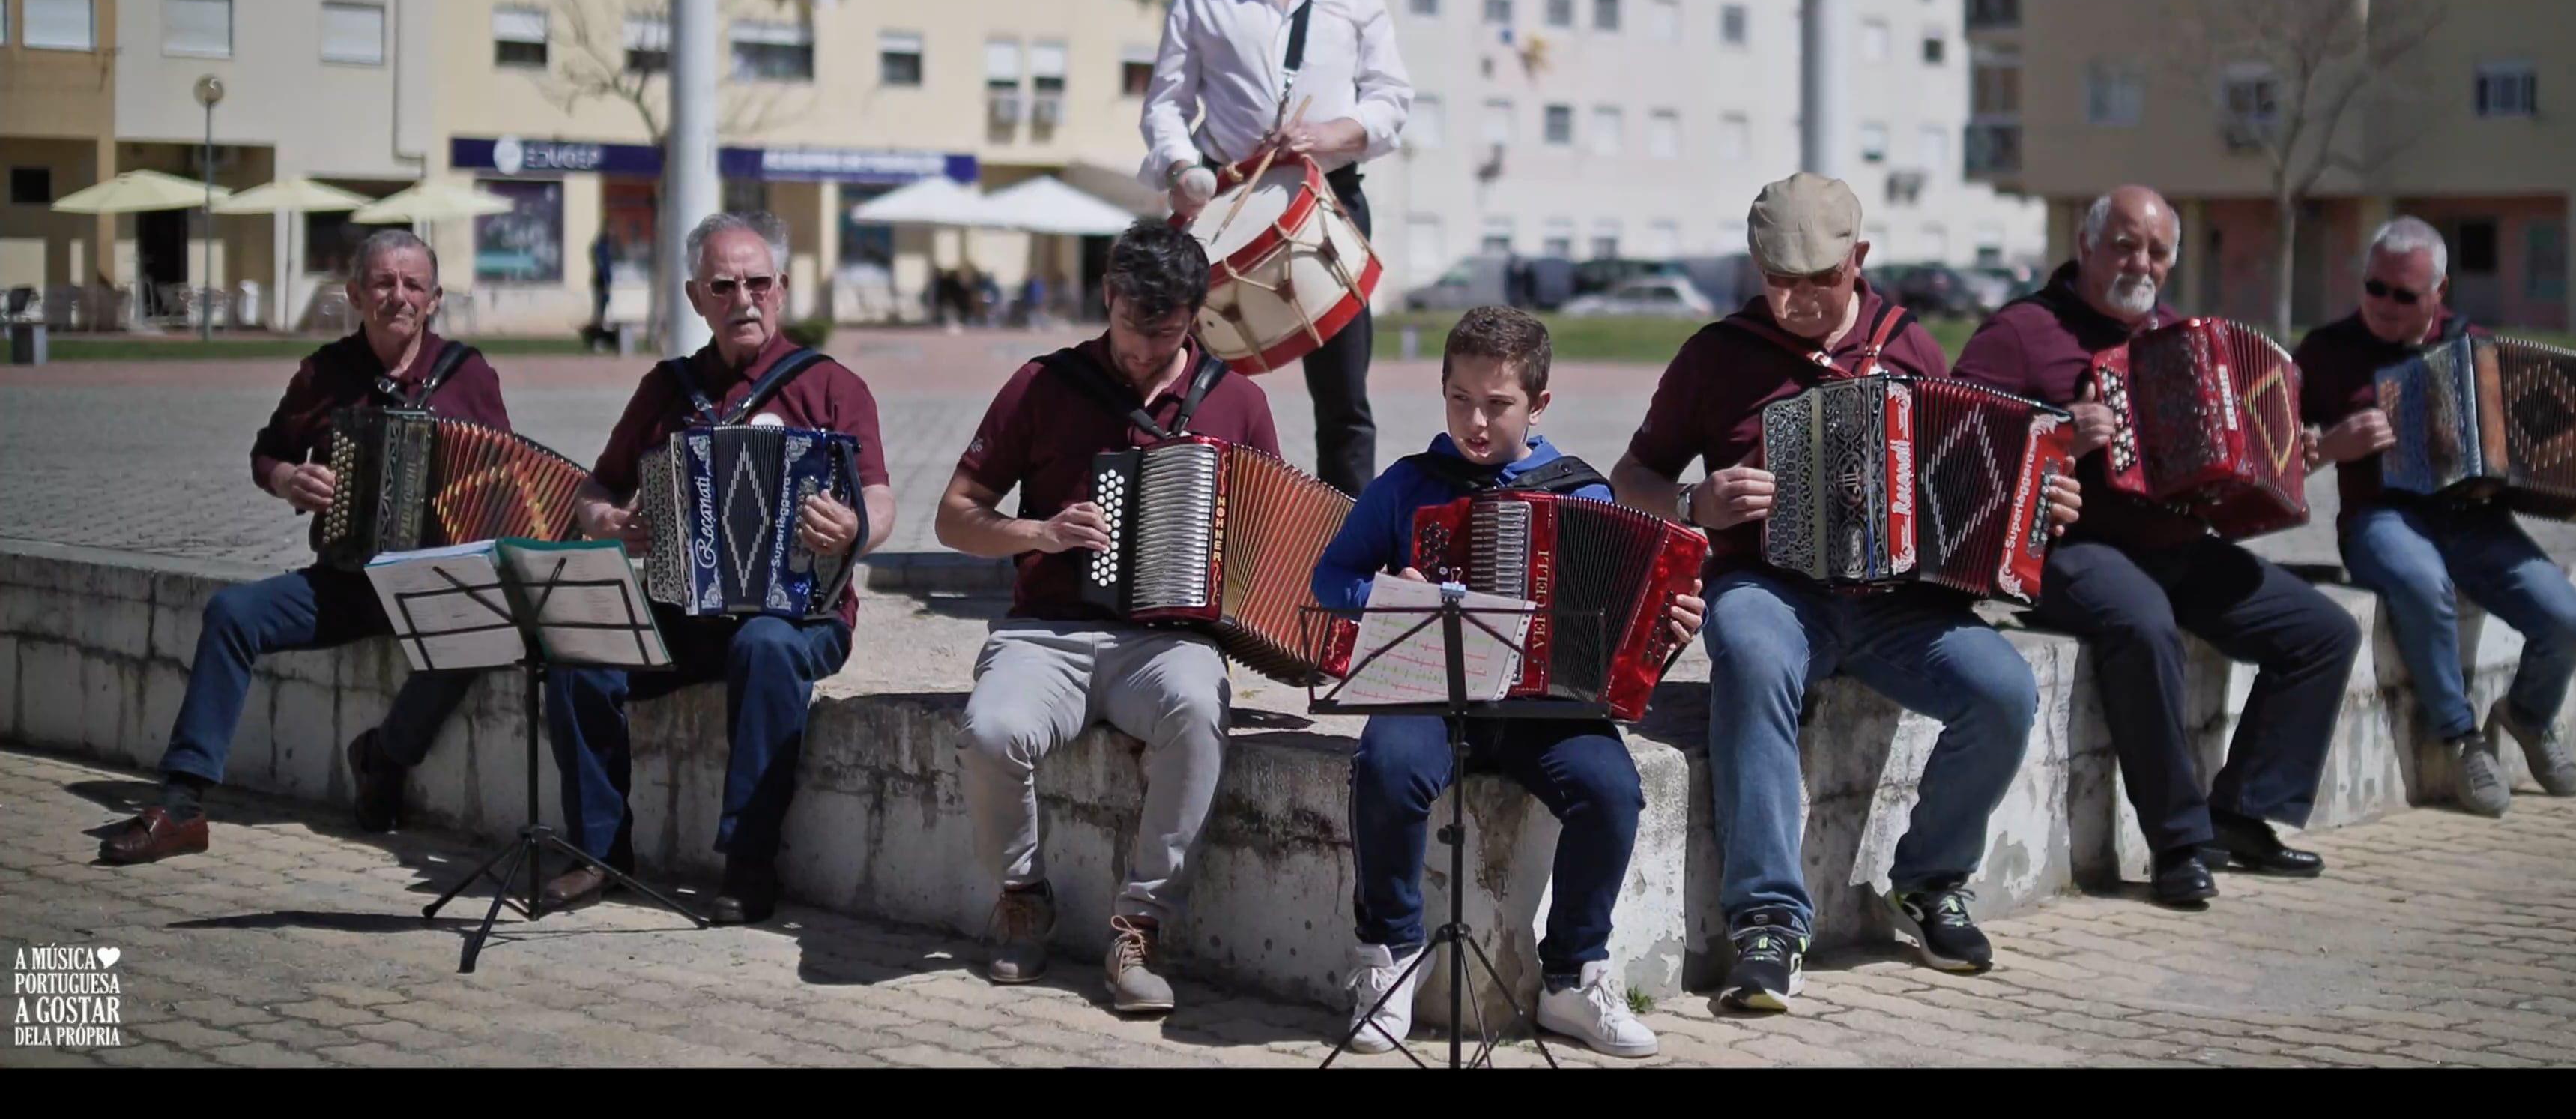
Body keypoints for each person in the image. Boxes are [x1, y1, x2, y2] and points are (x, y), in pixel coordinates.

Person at [1611, 175, 2079, 1012]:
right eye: (1778, 279)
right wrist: (1694, 504)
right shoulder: (1717, 355)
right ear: (1755, 264)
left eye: (1819, 280)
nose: (1795, 299)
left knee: (2007, 691)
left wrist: (2041, 506)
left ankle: (1930, 882)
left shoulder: (1910, 346)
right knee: (1750, 656)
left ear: (1859, 260)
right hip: (1771, 587)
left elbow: (1978, 482)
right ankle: (1768, 920)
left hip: (1901, 604)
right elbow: (1631, 477)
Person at [1950, 185, 2363, 911]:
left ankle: (2240, 812)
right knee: (2142, 624)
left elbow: (2225, 460)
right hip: (2068, 549)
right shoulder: (2020, 333)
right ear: (2086, 245)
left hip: (2176, 544)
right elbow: (1955, 449)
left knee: (2323, 631)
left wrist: (2277, 462)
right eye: (2124, 244)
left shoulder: (2181, 339)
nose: (2141, 262)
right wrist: (2057, 438)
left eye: (2158, 250)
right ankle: (2180, 844)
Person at [1319, 307, 1705, 1058]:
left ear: (1539, 404)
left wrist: (1669, 624)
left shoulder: (1582, 494)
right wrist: (1388, 597)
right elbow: (1331, 576)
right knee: (1386, 768)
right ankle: (1388, 958)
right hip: (1431, 690)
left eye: (1497, 404)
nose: (1474, 420)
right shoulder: (1407, 486)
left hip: (1544, 705)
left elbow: (1631, 628)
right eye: (1459, 398)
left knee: (1611, 791)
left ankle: (1570, 979)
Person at [937, 219, 1277, 1017]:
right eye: (1131, 326)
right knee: (991, 731)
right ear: (1107, 296)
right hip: (1045, 631)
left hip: (1168, 641)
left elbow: (1266, 544)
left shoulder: (1238, 402)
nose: (1143, 351)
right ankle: (1023, 894)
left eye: (1164, 334)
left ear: (1195, 313)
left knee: (1199, 709)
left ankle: (1141, 925)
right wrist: (1039, 533)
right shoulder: (1042, 383)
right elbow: (955, 517)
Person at [539, 209, 897, 924]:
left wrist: (855, 528)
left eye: (758, 283)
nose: (744, 299)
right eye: (724, 285)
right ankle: (599, 852)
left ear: (783, 288)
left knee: (765, 643)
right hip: (686, 609)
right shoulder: (668, 389)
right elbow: (597, 488)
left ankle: (747, 861)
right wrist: (605, 522)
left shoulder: (831, 386)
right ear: (697, 297)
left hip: (804, 613)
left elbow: (882, 500)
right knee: (577, 652)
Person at [97, 230, 495, 863]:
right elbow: (268, 452)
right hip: (347, 582)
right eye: (385, 283)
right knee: (232, 614)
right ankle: (180, 805)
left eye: (413, 284)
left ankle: (384, 757)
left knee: (483, 633)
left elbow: (502, 478)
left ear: (435, 297)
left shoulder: (467, 376)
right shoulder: (324, 373)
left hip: (430, 583)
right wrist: (288, 479)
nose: (399, 296)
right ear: (356, 293)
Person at [2296, 217, 2576, 815]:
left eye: (2404, 295)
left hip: (2473, 520)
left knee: (2568, 621)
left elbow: (2547, 443)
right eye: (2374, 287)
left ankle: (2527, 716)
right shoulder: (2326, 352)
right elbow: (2278, 457)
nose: (2384, 304)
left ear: (2439, 291)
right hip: (2380, 519)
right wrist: (2330, 447)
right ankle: (2459, 738)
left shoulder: (2476, 348)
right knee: (2422, 582)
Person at [1140, 0, 1413, 498]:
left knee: (1344, 400)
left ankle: (1346, 553)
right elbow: (1165, 106)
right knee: (1188, 389)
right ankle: (1190, 538)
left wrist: (1328, 133)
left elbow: (1392, 102)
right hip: (1221, 207)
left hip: (1330, 203)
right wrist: (1179, 165)